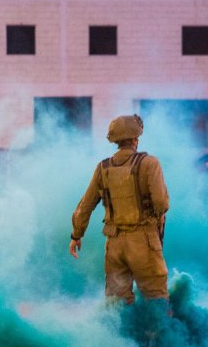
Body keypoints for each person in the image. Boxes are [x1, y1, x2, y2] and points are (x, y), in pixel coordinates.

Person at [69, 114, 169, 305]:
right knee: (156, 299)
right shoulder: (149, 163)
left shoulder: (103, 167)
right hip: (143, 241)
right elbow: (162, 203)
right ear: (135, 139)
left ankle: (118, 336)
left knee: (117, 303)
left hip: (114, 244)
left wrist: (76, 235)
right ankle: (160, 335)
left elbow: (85, 206)